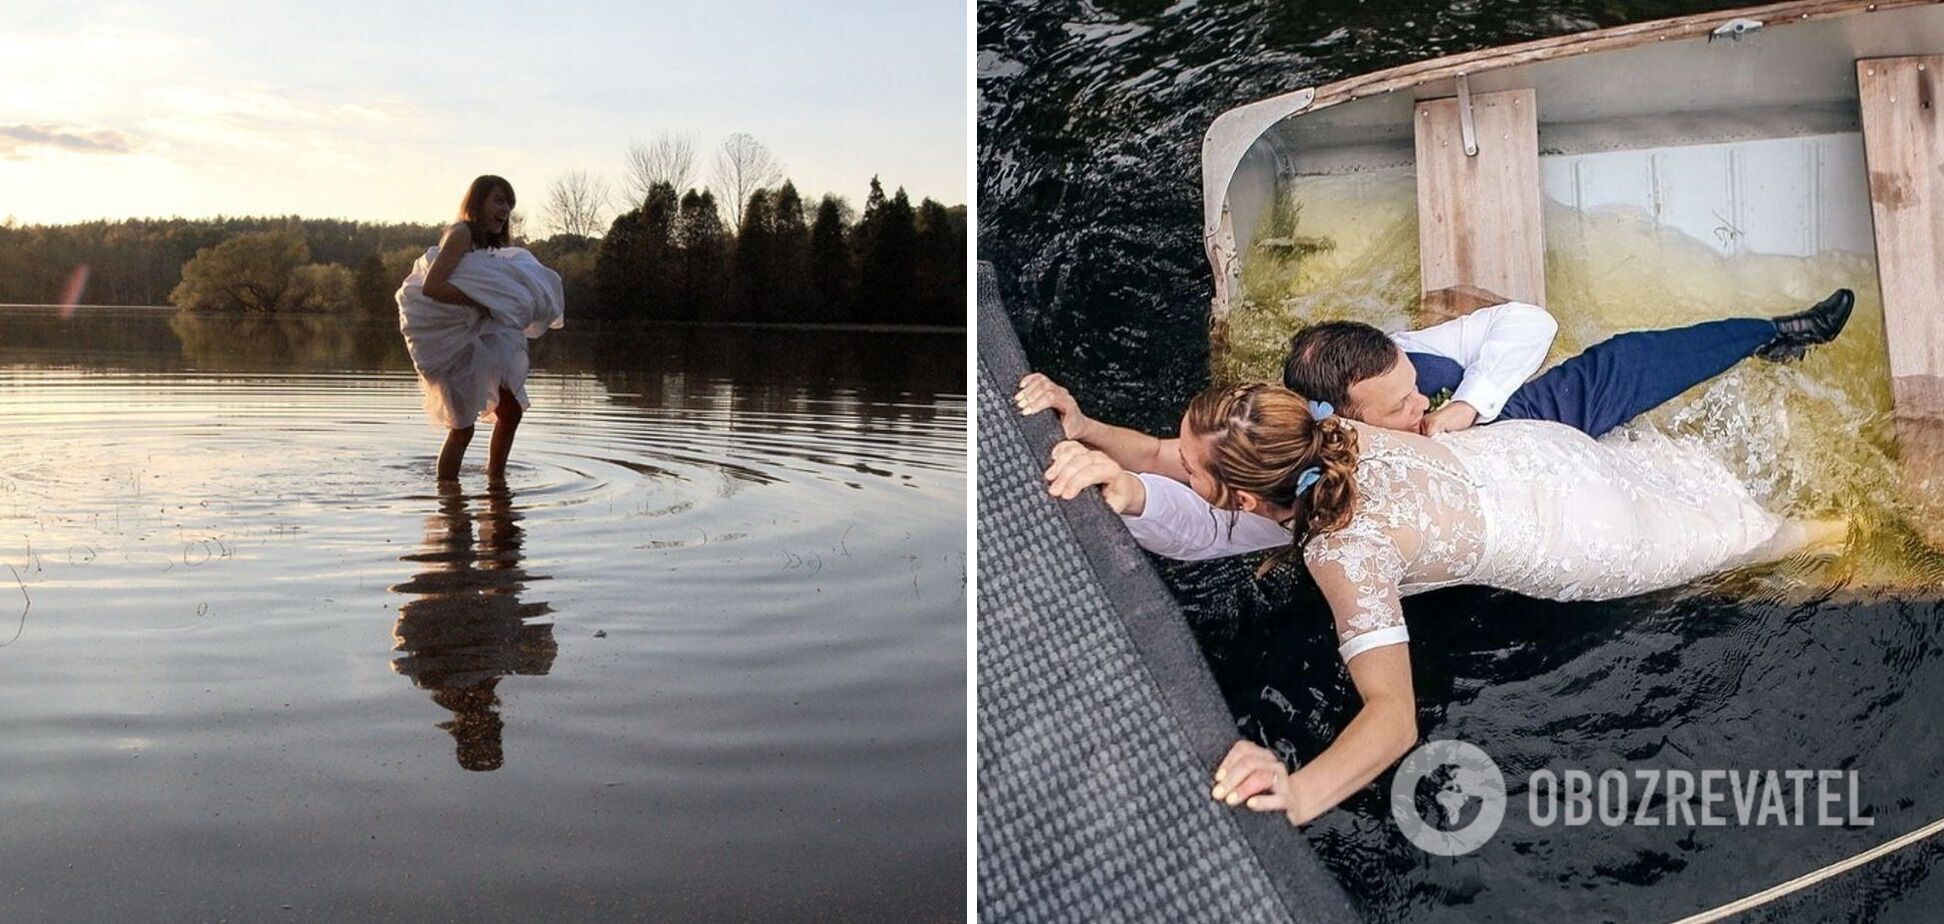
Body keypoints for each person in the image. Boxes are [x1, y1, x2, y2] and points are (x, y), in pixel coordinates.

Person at [1040, 384, 1841, 826]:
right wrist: (1089, 431)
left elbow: (1394, 719)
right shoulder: (1320, 430)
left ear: (1250, 496)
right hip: (1537, 459)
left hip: (1583, 537)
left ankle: (1841, 532)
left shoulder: (1342, 552)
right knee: (1699, 483)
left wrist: (1300, 789)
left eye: (1197, 468)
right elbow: (1174, 461)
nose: (1173, 458)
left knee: (1766, 539)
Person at [1017, 288, 1853, 559]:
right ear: (1342, 421)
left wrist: (1458, 411)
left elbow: (1528, 322)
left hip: (1487, 433)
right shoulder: (1299, 482)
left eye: (1411, 384)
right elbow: (1193, 513)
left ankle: (1772, 336)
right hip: (1482, 505)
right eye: (1402, 403)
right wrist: (1124, 486)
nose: (1413, 399)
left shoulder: (1401, 371)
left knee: (1628, 361)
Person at [397, 175, 565, 481]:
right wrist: (482, 303)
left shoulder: (487, 246)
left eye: (509, 205)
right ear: (478, 202)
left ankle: (495, 479)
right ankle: (450, 501)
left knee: (510, 411)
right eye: (499, 201)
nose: (505, 210)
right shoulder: (461, 233)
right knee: (462, 430)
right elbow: (433, 286)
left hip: (479, 336)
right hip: (452, 340)